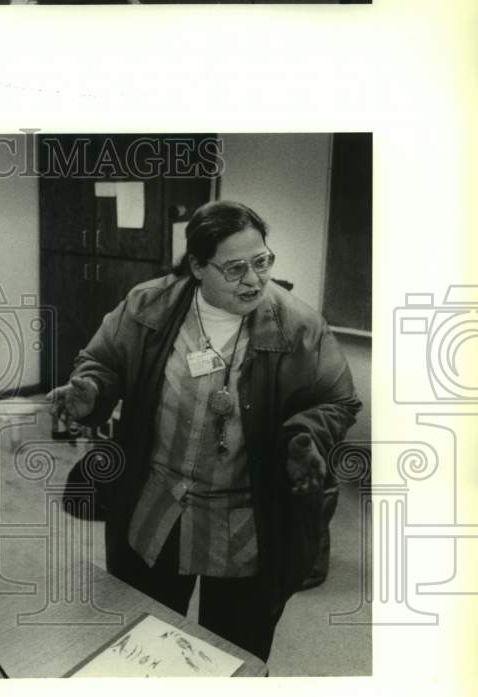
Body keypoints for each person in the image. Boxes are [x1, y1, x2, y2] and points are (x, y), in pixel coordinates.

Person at [48, 201, 361, 662]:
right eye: (234, 269)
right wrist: (91, 390)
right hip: (156, 509)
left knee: (233, 654)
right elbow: (103, 360)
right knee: (145, 645)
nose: (254, 280)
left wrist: (304, 436)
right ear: (197, 266)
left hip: (244, 523)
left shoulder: (298, 326)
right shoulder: (147, 305)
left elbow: (337, 399)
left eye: (262, 262)